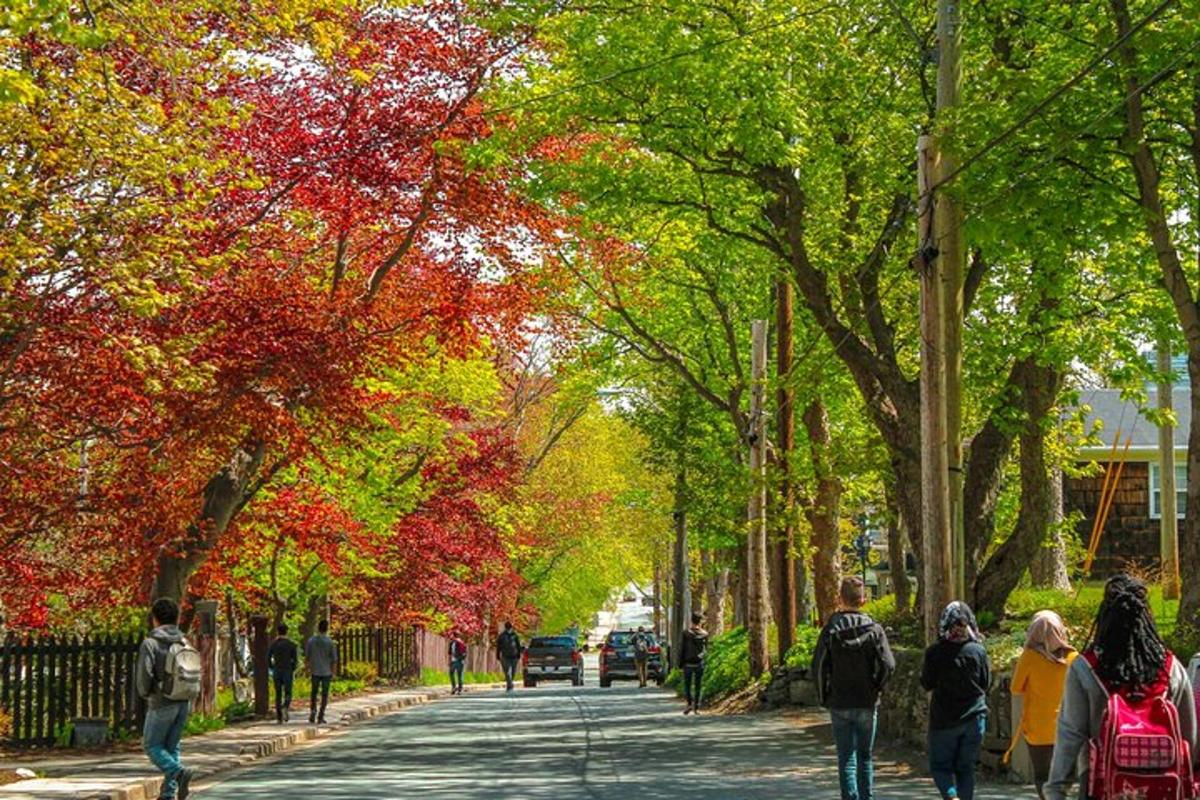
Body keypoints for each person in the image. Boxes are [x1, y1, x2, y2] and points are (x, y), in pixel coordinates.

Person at [1045, 573, 1198, 800]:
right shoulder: (1170, 667)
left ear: (1105, 614)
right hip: (1164, 782)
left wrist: (1056, 789)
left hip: (1102, 784)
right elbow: (1189, 735)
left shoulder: (1086, 668)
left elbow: (1071, 732)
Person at [812, 576, 896, 800]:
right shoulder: (875, 629)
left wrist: (824, 696)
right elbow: (889, 664)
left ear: (840, 598)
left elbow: (819, 666)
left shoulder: (831, 629)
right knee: (865, 757)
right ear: (864, 600)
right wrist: (877, 686)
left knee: (846, 757)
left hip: (840, 701)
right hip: (867, 700)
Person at [921, 601, 991, 800]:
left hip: (944, 721)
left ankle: (951, 797)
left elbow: (926, 683)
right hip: (975, 719)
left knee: (940, 768)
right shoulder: (978, 652)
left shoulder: (934, 652)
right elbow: (986, 683)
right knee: (966, 769)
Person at [1007, 611, 1076, 800]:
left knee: (1042, 776)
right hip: (1067, 727)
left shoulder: (1029, 657)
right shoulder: (1073, 657)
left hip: (1038, 728)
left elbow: (1015, 688)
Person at [136, 597, 195, 800]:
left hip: (162, 701)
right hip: (184, 700)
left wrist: (146, 693)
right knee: (171, 746)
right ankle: (168, 793)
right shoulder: (184, 641)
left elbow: (145, 674)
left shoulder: (151, 643)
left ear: (155, 619)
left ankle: (178, 773)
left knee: (151, 745)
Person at [304, 619, 338, 724]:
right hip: (326, 671)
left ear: (318, 628)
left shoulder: (311, 641)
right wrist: (334, 672)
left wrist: (307, 669)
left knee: (313, 693)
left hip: (315, 671)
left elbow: (307, 657)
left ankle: (313, 711)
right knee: (324, 694)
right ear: (327, 628)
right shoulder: (330, 642)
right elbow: (334, 659)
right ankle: (321, 715)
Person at [268, 622, 299, 724]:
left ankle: (279, 717)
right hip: (287, 670)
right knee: (288, 692)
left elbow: (268, 657)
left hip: (277, 669)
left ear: (278, 631)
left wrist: (272, 667)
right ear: (287, 632)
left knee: (278, 693)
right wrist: (293, 668)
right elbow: (295, 659)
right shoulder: (291, 645)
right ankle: (285, 706)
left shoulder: (274, 644)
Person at [680, 612, 709, 715]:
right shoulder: (705, 634)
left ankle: (689, 704)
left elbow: (682, 649)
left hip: (687, 663)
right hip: (699, 663)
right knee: (698, 685)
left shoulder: (686, 633)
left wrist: (680, 663)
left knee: (687, 685)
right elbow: (706, 650)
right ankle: (697, 707)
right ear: (700, 621)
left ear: (691, 620)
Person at [496, 622, 522, 692]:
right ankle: (510, 686)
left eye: (510, 627)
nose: (509, 628)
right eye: (508, 627)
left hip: (514, 656)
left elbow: (518, 645)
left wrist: (519, 654)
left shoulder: (515, 636)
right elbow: (498, 646)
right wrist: (498, 655)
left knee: (513, 672)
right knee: (507, 672)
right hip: (505, 656)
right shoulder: (501, 636)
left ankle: (510, 683)